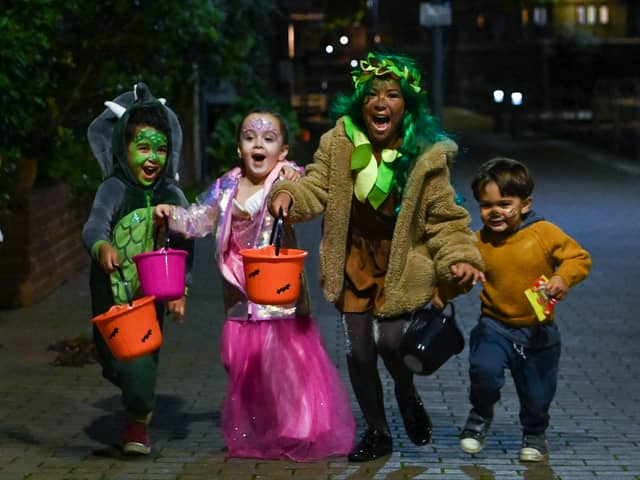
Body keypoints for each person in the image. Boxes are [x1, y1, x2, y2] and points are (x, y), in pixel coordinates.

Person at [269, 51, 485, 462]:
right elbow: (316, 186)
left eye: (392, 94)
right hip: (355, 257)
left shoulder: (425, 153)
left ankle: (406, 394)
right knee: (358, 351)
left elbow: (445, 216)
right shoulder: (339, 142)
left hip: (402, 260)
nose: (381, 103)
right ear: (360, 102)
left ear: (408, 104)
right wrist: (288, 195)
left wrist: (462, 256)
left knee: (391, 343)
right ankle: (377, 430)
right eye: (372, 95)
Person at [154, 108, 355, 461]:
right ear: (239, 149)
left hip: (278, 293)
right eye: (249, 137)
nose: (258, 144)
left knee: (288, 364)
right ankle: (261, 425)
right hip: (239, 292)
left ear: (283, 150)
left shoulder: (286, 179)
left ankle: (299, 426)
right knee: (241, 362)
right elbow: (200, 219)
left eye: (268, 138)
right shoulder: (227, 185)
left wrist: (294, 186)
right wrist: (172, 215)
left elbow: (307, 199)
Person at [82, 83, 194, 455]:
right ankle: (132, 394)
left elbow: (184, 245)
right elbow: (94, 225)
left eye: (160, 149)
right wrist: (102, 246)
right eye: (143, 148)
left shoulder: (171, 194)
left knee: (141, 363)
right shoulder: (114, 189)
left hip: (150, 299)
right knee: (113, 361)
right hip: (110, 295)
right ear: (123, 148)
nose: (153, 158)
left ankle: (137, 425)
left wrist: (180, 290)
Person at [458, 157, 591, 462]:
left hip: (537, 330)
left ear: (526, 203)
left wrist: (562, 277)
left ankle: (534, 433)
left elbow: (579, 258)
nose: (495, 212)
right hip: (494, 324)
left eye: (505, 203)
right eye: (486, 204)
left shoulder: (543, 233)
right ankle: (480, 416)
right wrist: (446, 288)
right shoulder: (478, 242)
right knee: (484, 371)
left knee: (537, 392)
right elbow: (463, 278)